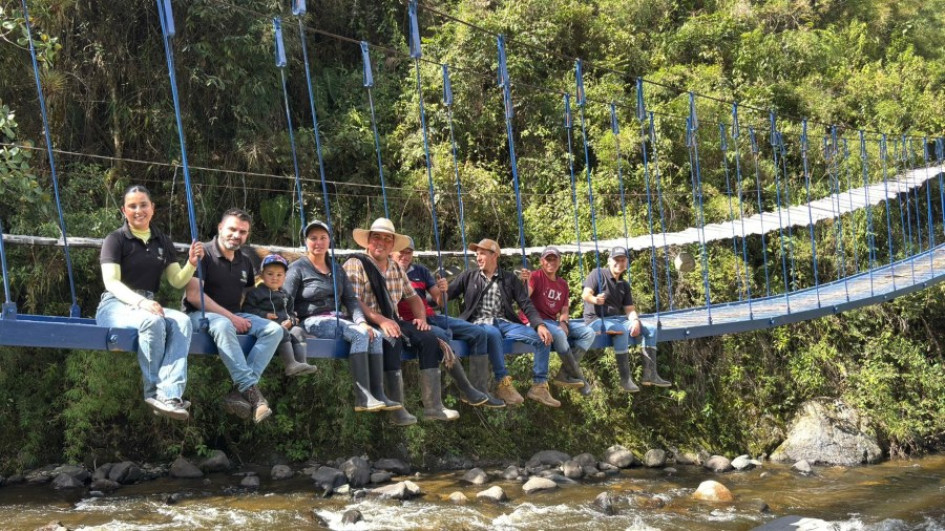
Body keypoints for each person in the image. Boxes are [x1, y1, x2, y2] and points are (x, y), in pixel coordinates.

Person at [343, 218, 488, 424]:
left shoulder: (395, 267)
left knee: (429, 338)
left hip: (392, 319)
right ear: (368, 240)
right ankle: (397, 408)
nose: (381, 243)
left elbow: (412, 297)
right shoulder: (355, 263)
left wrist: (420, 318)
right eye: (376, 237)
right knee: (393, 339)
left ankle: (433, 406)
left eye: (387, 239)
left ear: (392, 245)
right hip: (364, 320)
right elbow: (353, 301)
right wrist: (381, 320)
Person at [96, 185, 204, 421]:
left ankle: (170, 394)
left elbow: (176, 280)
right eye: (132, 206)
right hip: (115, 305)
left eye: (143, 205)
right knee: (153, 321)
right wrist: (141, 303)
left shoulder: (161, 240)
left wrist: (192, 263)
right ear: (124, 210)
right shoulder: (115, 239)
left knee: (183, 321)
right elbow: (112, 283)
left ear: (152, 208)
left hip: (147, 304)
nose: (138, 210)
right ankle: (154, 392)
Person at [284, 219, 396, 413]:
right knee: (359, 334)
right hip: (312, 320)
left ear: (329, 241)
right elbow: (285, 298)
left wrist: (362, 321)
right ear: (306, 242)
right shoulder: (298, 268)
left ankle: (379, 393)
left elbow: (351, 300)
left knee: (374, 335)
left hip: (338, 318)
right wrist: (289, 321)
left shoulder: (336, 269)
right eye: (313, 239)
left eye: (322, 238)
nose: (318, 243)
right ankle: (362, 397)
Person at [184, 208, 283, 424]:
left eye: (243, 232)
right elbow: (193, 296)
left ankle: (240, 394)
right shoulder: (203, 254)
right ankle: (253, 395)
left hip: (234, 315)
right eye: (232, 229)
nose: (236, 235)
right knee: (222, 324)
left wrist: (263, 314)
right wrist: (232, 317)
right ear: (220, 228)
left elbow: (246, 295)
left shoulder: (245, 260)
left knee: (274, 330)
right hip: (200, 316)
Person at [436, 238, 559, 408]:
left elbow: (526, 304)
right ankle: (503, 383)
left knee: (543, 337)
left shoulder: (509, 279)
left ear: (494, 255)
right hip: (478, 323)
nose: (478, 258)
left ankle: (539, 385)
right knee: (492, 333)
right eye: (476, 254)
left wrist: (540, 325)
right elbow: (442, 302)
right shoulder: (468, 276)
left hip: (504, 323)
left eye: (482, 254)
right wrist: (441, 290)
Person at [394, 237, 504, 408]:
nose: (404, 255)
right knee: (442, 337)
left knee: (479, 333)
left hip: (431, 316)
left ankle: (479, 390)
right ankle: (465, 389)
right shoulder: (389, 273)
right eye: (401, 251)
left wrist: (443, 290)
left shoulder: (421, 271)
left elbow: (441, 302)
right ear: (393, 251)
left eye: (409, 252)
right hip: (411, 322)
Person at [581, 246, 671, 392]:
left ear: (626, 262)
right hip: (596, 321)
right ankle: (625, 379)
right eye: (616, 259)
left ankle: (650, 374)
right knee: (621, 330)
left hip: (617, 320)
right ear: (609, 261)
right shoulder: (597, 274)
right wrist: (596, 300)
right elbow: (585, 295)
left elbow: (629, 310)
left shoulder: (624, 285)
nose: (620, 263)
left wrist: (635, 321)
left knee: (651, 329)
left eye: (623, 260)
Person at [523, 246, 595, 395]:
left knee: (589, 333)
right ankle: (580, 378)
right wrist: (524, 282)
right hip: (536, 321)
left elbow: (564, 310)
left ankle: (564, 374)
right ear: (542, 261)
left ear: (559, 261)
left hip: (553, 322)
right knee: (560, 334)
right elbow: (523, 299)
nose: (551, 262)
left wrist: (564, 322)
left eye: (554, 259)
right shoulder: (535, 277)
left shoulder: (563, 284)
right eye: (548, 259)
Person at [241, 253, 318, 377]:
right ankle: (290, 364)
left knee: (298, 330)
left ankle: (301, 363)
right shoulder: (256, 293)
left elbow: (292, 314)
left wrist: (291, 321)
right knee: (281, 330)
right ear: (262, 275)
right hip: (267, 329)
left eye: (279, 275)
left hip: (285, 328)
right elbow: (246, 310)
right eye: (270, 274)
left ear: (285, 277)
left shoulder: (286, 295)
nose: (274, 278)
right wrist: (264, 315)